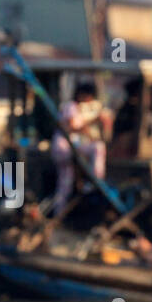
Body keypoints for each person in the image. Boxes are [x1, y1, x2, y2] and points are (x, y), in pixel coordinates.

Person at [51, 81, 109, 217]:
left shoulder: (78, 110)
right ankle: (96, 179)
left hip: (71, 149)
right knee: (98, 148)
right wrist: (93, 121)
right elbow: (72, 127)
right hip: (64, 148)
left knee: (65, 184)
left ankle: (58, 214)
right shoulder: (70, 107)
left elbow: (84, 131)